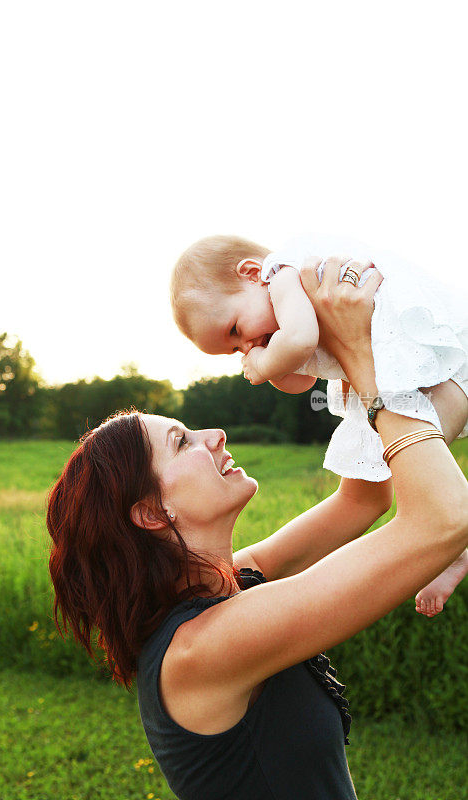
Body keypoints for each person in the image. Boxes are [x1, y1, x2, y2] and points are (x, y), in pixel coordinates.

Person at [47, 259, 468, 799]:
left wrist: (338, 349)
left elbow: (363, 498)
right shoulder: (203, 650)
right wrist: (365, 360)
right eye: (181, 442)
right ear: (151, 514)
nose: (215, 434)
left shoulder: (230, 582)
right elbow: (442, 521)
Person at [170, 234, 468, 616]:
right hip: (387, 377)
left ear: (250, 273)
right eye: (235, 349)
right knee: (395, 461)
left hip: (434, 354)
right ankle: (451, 544)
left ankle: (449, 541)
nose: (245, 346)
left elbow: (301, 340)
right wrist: (267, 360)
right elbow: (302, 380)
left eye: (235, 331)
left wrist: (262, 364)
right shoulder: (279, 320)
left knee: (422, 455)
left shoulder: (281, 276)